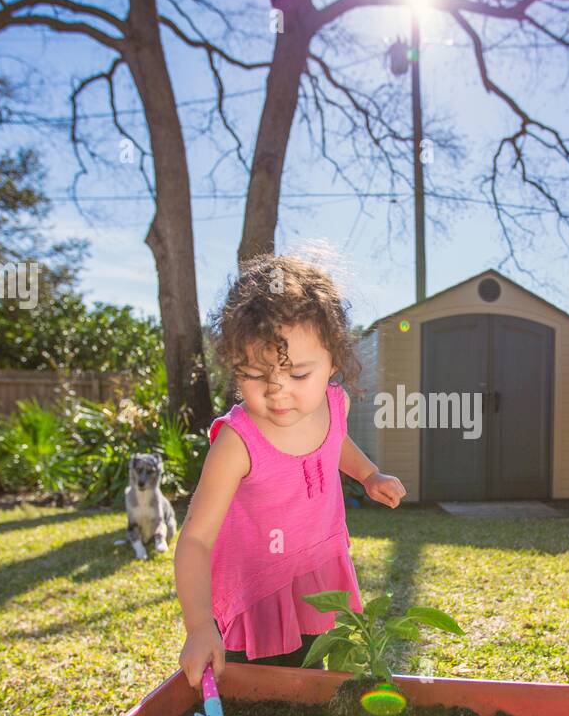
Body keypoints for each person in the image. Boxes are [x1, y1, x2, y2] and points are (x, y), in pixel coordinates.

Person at [174, 254, 406, 688]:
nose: (278, 393)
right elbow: (196, 539)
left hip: (319, 567)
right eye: (256, 375)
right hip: (257, 591)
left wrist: (369, 475)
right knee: (260, 690)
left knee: (318, 681)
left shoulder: (336, 404)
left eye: (299, 374)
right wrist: (199, 625)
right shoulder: (237, 442)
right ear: (234, 365)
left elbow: (337, 443)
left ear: (334, 361)